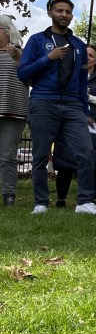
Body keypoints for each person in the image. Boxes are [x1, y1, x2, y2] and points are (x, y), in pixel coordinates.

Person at [17, 0, 96, 215]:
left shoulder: (78, 45)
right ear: (50, 13)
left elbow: (82, 82)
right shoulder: (37, 40)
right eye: (59, 11)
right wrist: (48, 58)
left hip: (73, 105)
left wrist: (85, 111)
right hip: (43, 101)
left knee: (86, 151)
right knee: (40, 155)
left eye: (68, 12)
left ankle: (85, 202)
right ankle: (41, 203)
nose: (64, 15)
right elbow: (23, 73)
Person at [54, 44, 96, 206]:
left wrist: (89, 98)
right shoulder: (68, 74)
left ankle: (90, 200)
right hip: (69, 122)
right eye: (85, 54)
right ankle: (61, 199)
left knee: (94, 162)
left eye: (92, 55)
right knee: (66, 160)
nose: (88, 58)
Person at [0, 15, 29, 207]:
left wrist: (18, 60)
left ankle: (8, 197)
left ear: (6, 31)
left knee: (7, 156)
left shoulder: (22, 54)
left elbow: (32, 79)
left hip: (13, 112)